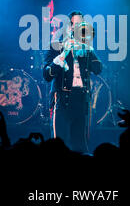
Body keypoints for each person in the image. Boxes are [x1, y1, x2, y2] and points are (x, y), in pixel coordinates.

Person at [43, 11, 102, 152]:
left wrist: (88, 48)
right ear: (68, 28)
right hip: (62, 98)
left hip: (81, 98)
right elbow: (47, 75)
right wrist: (64, 53)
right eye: (75, 25)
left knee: (80, 143)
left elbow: (98, 68)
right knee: (59, 143)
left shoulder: (85, 50)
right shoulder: (55, 47)